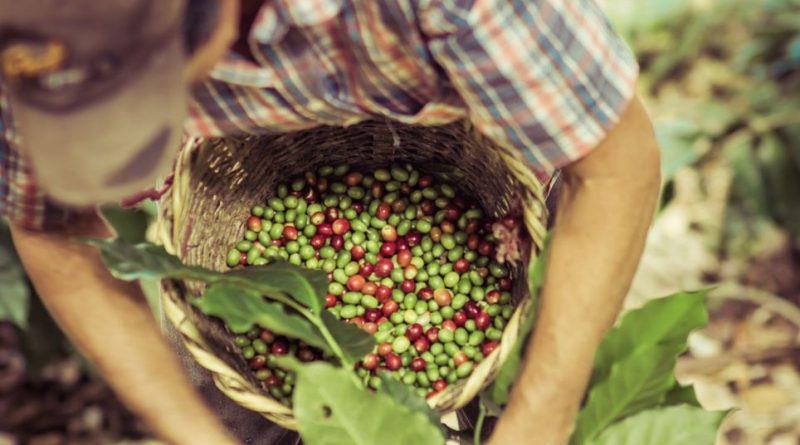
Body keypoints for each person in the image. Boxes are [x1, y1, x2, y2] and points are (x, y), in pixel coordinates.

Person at [0, 1, 661, 444]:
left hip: (501, 191)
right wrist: (195, 435)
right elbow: (50, 226)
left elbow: (614, 169)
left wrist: (540, 418)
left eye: (140, 103)